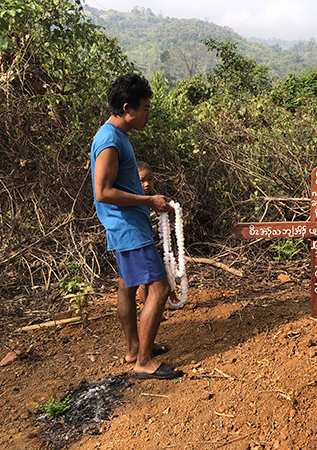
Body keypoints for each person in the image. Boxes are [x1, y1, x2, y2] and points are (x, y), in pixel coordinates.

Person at [90, 74, 183, 380]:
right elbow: (102, 192)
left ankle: (134, 348)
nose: (148, 114)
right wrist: (147, 200)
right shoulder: (109, 141)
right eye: (145, 108)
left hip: (125, 225)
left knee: (127, 286)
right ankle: (144, 361)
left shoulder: (117, 136)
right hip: (128, 227)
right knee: (159, 287)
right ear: (128, 107)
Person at [136, 160, 178, 311]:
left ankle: (174, 301)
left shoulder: (155, 198)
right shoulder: (135, 201)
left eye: (150, 179)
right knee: (144, 281)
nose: (147, 184)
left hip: (159, 245)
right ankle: (150, 309)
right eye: (142, 180)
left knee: (165, 272)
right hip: (145, 248)